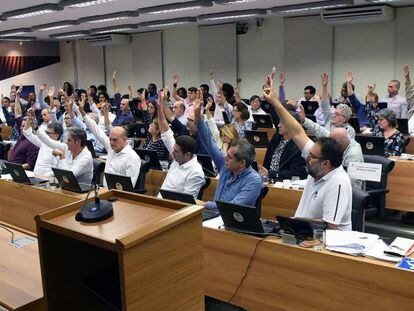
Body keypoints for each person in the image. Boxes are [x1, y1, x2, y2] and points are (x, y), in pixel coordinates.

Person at [263, 71, 352, 230]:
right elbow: (297, 131)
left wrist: (294, 224)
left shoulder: (338, 182)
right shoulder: (319, 161)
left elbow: (330, 226)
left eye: (311, 157)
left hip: (321, 243)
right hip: (303, 234)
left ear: (326, 164)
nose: (307, 158)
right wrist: (276, 103)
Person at [194, 90, 262, 210]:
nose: (225, 157)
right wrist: (197, 115)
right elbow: (209, 142)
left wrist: (205, 204)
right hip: (214, 218)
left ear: (242, 163)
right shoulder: (226, 164)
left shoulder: (253, 180)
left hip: (232, 224)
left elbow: (232, 206)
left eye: (230, 157)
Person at [78, 98, 141, 188]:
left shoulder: (132, 157)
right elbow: (96, 130)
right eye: (110, 139)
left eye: (115, 140)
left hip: (119, 196)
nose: (111, 142)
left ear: (124, 139)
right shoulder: (111, 147)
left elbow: (129, 187)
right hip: (104, 191)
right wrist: (83, 112)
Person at [156, 90, 205, 199]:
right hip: (159, 204)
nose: (172, 153)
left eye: (176, 152)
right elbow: (165, 131)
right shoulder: (178, 156)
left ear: (187, 155)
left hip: (172, 211)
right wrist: (159, 109)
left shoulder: (195, 172)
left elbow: (185, 203)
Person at [259, 111, 307, 181]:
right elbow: (267, 161)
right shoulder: (276, 138)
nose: (279, 125)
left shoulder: (299, 146)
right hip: (268, 180)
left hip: (285, 184)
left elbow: (296, 173)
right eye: (279, 122)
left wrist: (271, 174)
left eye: (282, 123)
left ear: (292, 125)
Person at [320, 73, 356, 139]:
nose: (333, 115)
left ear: (344, 118)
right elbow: (324, 105)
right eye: (334, 113)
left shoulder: (349, 130)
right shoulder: (329, 120)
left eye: (336, 114)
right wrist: (324, 87)